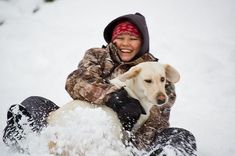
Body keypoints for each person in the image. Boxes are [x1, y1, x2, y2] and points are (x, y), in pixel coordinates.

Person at [2, 13, 196, 155]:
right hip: (82, 122)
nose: (125, 43)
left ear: (143, 42)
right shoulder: (98, 56)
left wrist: (131, 147)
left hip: (123, 140)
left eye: (133, 38)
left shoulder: (159, 75)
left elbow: (156, 122)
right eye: (120, 38)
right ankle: (24, 144)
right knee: (34, 102)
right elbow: (76, 81)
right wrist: (113, 97)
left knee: (180, 136)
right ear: (112, 39)